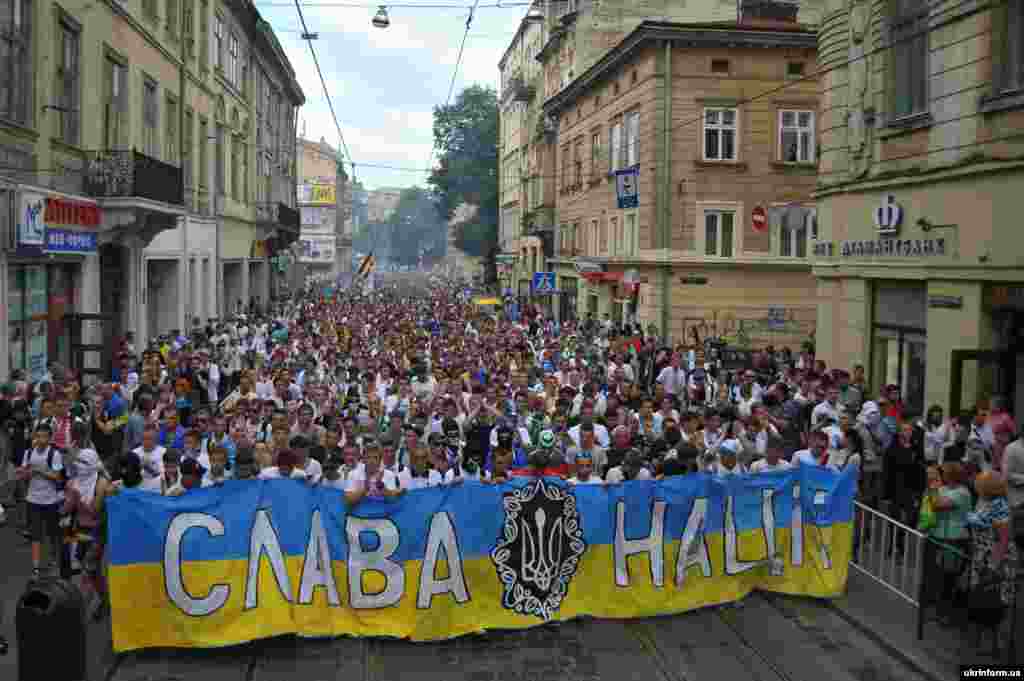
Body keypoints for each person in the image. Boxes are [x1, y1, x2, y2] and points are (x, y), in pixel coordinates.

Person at [17, 423, 64, 578]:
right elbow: (24, 475)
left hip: (51, 500)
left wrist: (38, 471)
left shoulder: (54, 454)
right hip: (33, 500)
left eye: (44, 437)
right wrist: (24, 473)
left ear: (50, 438)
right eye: (38, 436)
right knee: (36, 535)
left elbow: (57, 476)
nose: (41, 440)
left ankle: (53, 562)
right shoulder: (28, 453)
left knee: (52, 534)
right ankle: (36, 568)